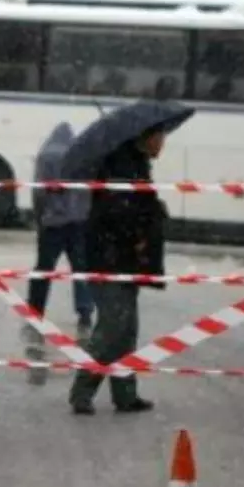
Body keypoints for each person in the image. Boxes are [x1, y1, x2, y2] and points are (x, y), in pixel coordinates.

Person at [68, 126, 168, 415]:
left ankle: (125, 395)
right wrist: (140, 231)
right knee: (112, 328)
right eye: (159, 137)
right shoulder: (121, 166)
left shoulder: (133, 164)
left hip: (122, 260)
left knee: (126, 330)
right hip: (111, 260)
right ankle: (82, 392)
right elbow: (118, 213)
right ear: (144, 136)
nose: (163, 144)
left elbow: (131, 208)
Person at [25, 122, 94, 344]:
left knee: (44, 269)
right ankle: (84, 312)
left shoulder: (46, 155)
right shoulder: (82, 154)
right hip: (78, 222)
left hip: (52, 223)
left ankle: (36, 310)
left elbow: (39, 191)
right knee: (81, 268)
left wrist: (39, 217)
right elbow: (90, 189)